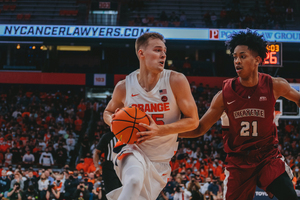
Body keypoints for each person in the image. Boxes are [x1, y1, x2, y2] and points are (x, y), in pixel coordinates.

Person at [179, 29, 300, 200]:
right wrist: (168, 133)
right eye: (235, 57)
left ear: (257, 60)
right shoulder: (223, 95)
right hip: (239, 162)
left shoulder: (275, 85)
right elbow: (200, 128)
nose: (237, 61)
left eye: (242, 56)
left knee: (290, 196)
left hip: (267, 157)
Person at [103, 32, 199, 200]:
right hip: (132, 148)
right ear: (141, 53)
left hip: (160, 159)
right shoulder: (124, 86)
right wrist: (114, 122)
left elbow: (193, 121)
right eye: (157, 50)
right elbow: (108, 112)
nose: (163, 55)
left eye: (164, 51)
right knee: (133, 181)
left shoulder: (175, 80)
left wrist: (158, 130)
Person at [93, 131, 122, 196]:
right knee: (112, 192)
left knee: (125, 191)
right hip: (110, 167)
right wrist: (97, 167)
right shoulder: (107, 136)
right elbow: (96, 152)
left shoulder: (128, 134)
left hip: (124, 165)